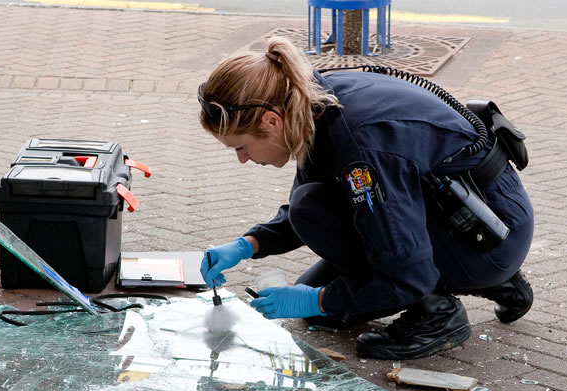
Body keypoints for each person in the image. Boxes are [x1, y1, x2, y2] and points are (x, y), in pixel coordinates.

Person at [197, 37, 534, 360]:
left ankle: (437, 314)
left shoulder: (359, 146)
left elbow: (404, 268)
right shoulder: (308, 103)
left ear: (271, 121)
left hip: (487, 237)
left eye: (240, 146)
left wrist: (319, 299)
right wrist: (248, 244)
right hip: (477, 219)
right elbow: (322, 203)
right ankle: (501, 283)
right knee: (324, 310)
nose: (241, 158)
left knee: (333, 277)